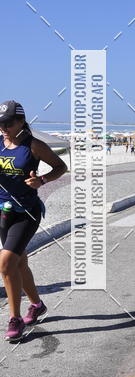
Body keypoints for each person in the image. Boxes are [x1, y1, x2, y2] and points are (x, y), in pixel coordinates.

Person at [0, 101, 68, 341]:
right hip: (4, 213)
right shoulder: (0, 143)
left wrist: (43, 180)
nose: (4, 128)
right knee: (19, 265)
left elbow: (61, 166)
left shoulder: (33, 145)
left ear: (21, 121)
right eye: (0, 124)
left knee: (6, 263)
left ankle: (15, 319)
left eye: (8, 123)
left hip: (27, 212)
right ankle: (37, 305)